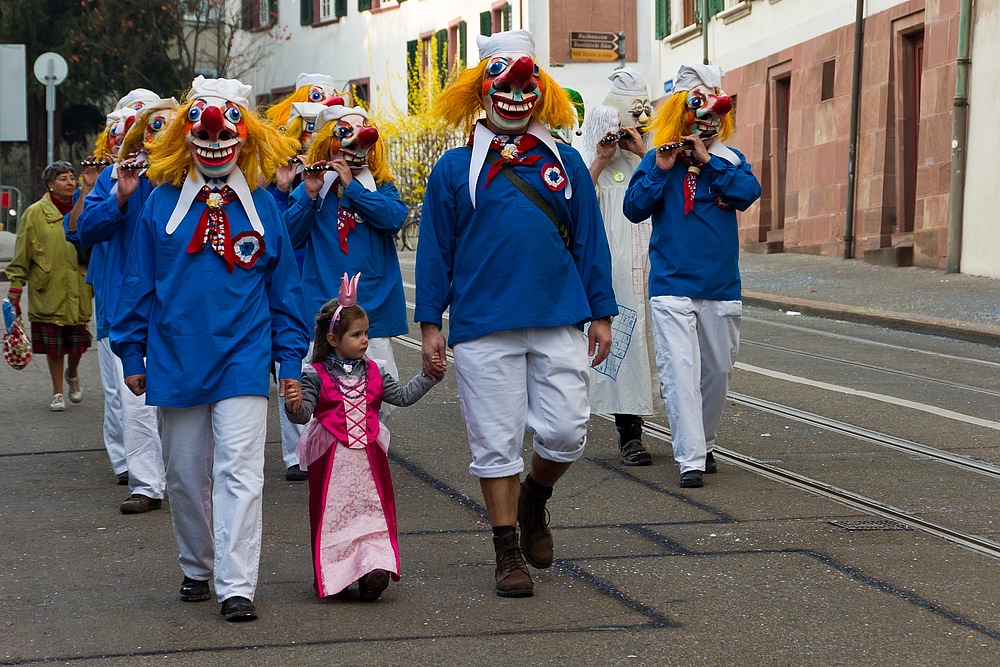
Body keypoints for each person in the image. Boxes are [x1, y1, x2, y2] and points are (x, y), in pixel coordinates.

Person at [415, 29, 616, 598]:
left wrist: (600, 311)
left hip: (558, 316)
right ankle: (507, 552)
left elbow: (589, 241)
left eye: (527, 82)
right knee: (495, 442)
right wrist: (431, 324)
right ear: (481, 92)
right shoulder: (454, 169)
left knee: (567, 432)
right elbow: (435, 250)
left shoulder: (567, 162)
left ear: (539, 90)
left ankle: (536, 497)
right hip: (482, 324)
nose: (515, 93)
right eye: (503, 83)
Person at [111, 76, 308, 622]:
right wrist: (131, 355)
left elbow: (285, 294)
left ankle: (237, 584)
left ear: (246, 138)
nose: (216, 138)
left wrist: (288, 364)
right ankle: (199, 565)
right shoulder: (159, 203)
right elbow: (137, 283)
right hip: (174, 361)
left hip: (243, 359)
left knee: (241, 471)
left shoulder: (266, 206)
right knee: (183, 473)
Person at [623, 64, 761, 489]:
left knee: (717, 373)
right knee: (679, 371)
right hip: (671, 287)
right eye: (699, 109)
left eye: (717, 112)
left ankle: (704, 442)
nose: (708, 121)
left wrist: (708, 161)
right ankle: (690, 460)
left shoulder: (730, 160)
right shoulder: (656, 157)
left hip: (720, 288)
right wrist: (662, 169)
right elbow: (634, 208)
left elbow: (746, 195)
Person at [284, 273, 442, 601]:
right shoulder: (315, 374)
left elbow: (401, 396)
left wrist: (428, 378)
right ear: (333, 340)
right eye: (357, 334)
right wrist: (293, 405)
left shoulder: (375, 370)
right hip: (333, 465)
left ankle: (374, 569)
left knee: (372, 513)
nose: (365, 340)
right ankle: (340, 574)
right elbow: (304, 413)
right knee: (337, 517)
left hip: (370, 463)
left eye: (366, 333)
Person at [74, 95, 177, 514]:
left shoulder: (182, 173)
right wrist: (120, 194)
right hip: (125, 305)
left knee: (178, 399)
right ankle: (147, 484)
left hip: (175, 304)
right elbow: (85, 229)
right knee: (134, 399)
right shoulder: (116, 176)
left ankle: (183, 476)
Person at [284, 104, 408, 413]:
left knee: (377, 400)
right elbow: (289, 238)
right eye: (344, 134)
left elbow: (394, 218)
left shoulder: (381, 185)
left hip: (372, 313)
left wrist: (353, 189)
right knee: (322, 400)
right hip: (323, 313)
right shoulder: (313, 187)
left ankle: (367, 458)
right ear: (329, 141)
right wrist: (308, 193)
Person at [578, 68, 663, 466]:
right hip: (614, 263)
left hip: (657, 261)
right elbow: (575, 203)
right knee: (624, 344)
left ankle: (690, 434)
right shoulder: (593, 154)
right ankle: (629, 434)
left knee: (663, 344)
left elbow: (670, 191)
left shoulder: (656, 156)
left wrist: (645, 152)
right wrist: (601, 157)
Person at [5, 162, 93, 411]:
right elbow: (23, 252)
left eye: (71, 178)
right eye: (62, 179)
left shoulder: (85, 207)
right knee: (55, 346)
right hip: (48, 288)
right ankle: (57, 392)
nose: (69, 182)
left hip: (80, 286)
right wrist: (15, 287)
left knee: (77, 343)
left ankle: (72, 374)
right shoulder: (34, 213)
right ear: (50, 186)